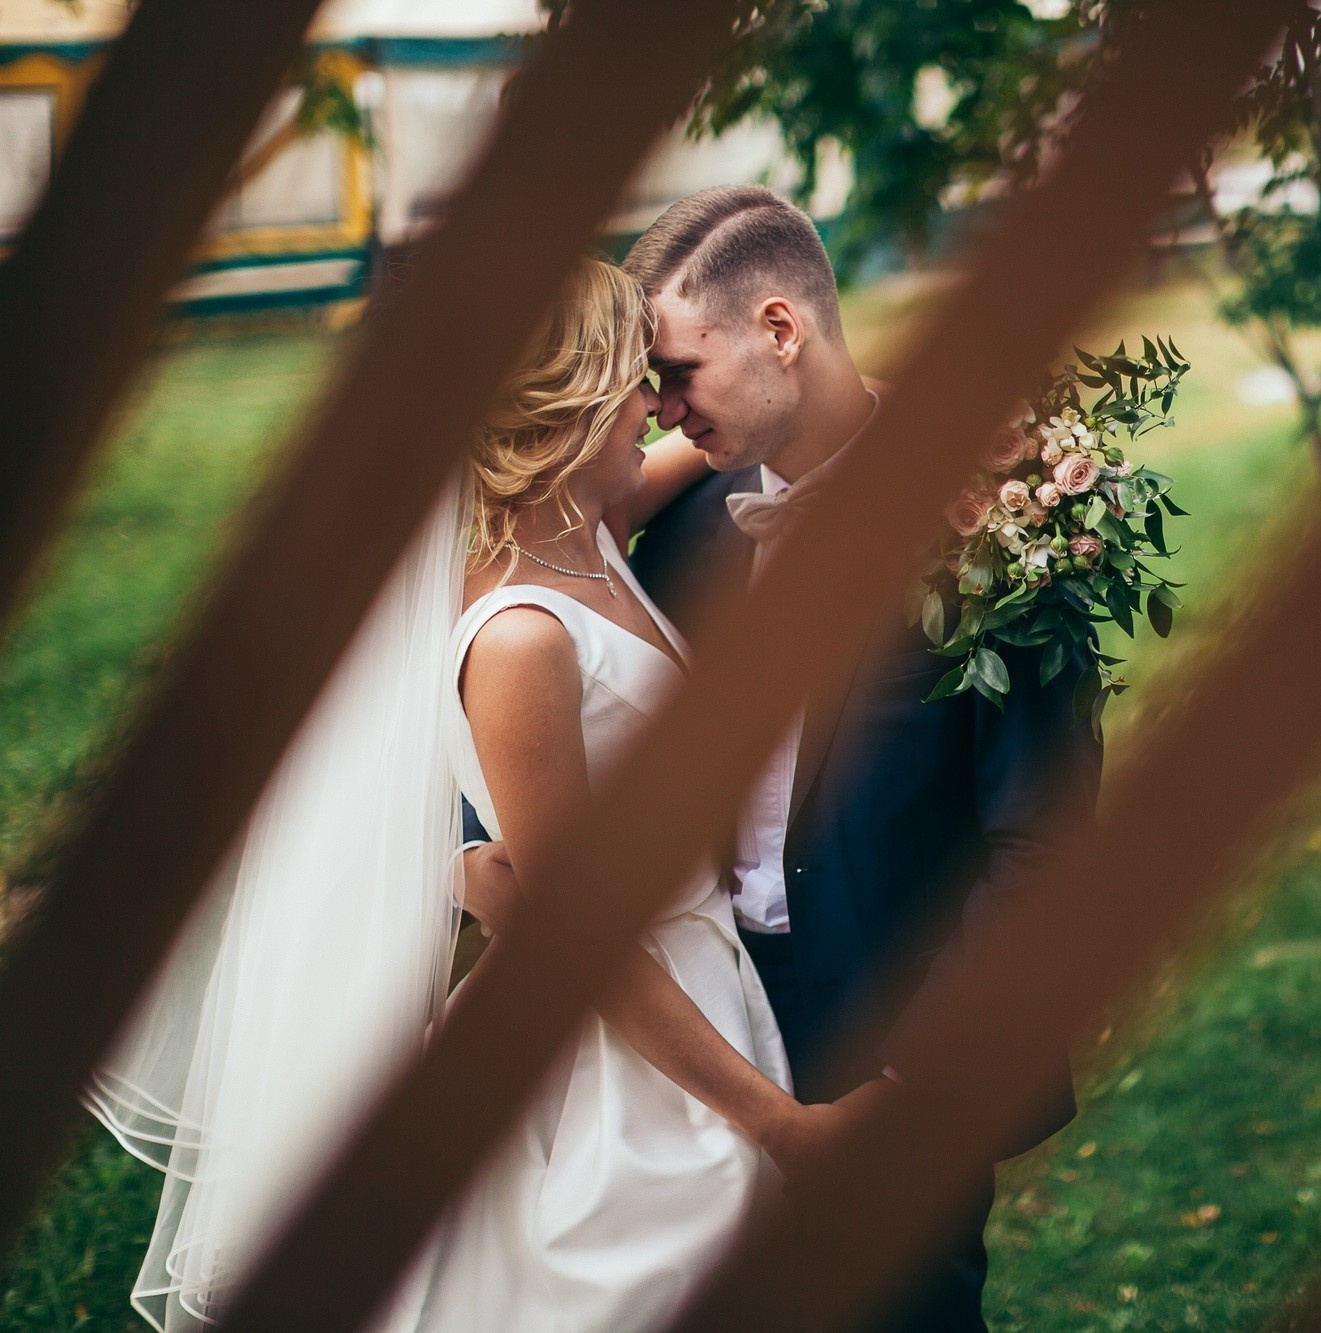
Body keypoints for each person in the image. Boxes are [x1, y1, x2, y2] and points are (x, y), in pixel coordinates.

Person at [88, 260, 849, 1333]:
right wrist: (775, 1123)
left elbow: (742, 439)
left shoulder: (586, 526)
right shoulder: (521, 635)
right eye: (637, 381)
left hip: (701, 974)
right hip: (618, 1049)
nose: (658, 405)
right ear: (570, 402)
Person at [469, 185, 1102, 1331]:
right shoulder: (669, 524)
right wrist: (476, 853)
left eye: (676, 372)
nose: (659, 410)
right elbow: (522, 688)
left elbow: (1043, 853)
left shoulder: (1005, 531)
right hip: (689, 1037)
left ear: (778, 329)